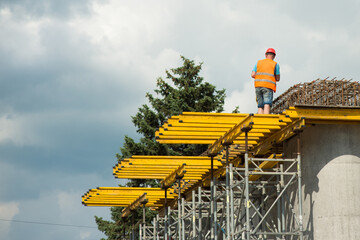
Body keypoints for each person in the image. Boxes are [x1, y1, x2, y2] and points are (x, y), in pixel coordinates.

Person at [251, 48, 280, 114]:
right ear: (274, 56)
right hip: (268, 87)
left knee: (260, 106)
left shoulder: (258, 62)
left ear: (265, 55)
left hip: (258, 86)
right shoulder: (275, 64)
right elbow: (277, 79)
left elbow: (253, 75)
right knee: (267, 104)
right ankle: (265, 120)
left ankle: (260, 121)